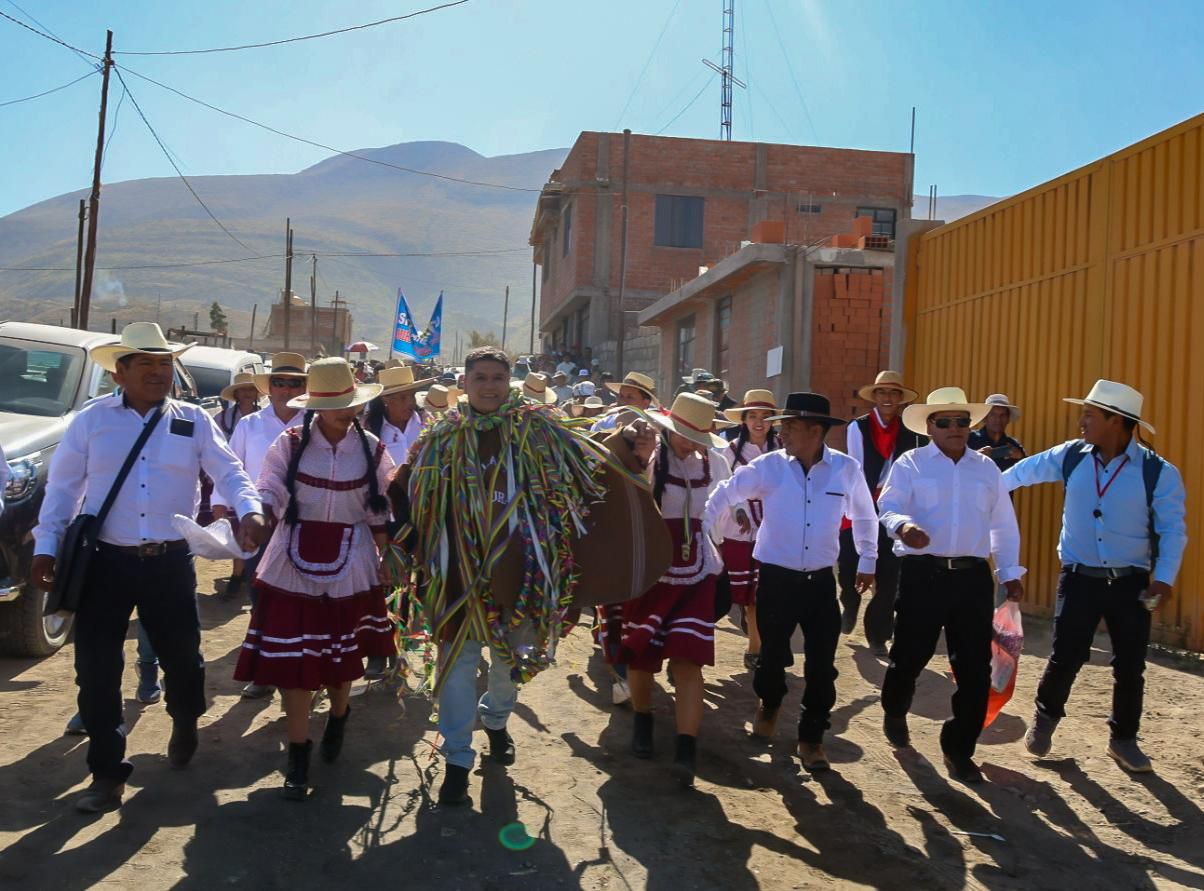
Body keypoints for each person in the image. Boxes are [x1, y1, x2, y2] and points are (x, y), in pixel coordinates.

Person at [30, 322, 267, 813]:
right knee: (96, 669)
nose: (159, 373)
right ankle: (106, 773)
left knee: (184, 660)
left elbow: (229, 470)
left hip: (169, 562)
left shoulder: (193, 420)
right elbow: (63, 489)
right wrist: (46, 545)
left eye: (165, 364)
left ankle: (184, 720)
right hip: (104, 564)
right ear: (120, 373)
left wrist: (250, 509)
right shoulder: (92, 421)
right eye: (146, 364)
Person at [393, 347, 626, 806]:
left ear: (509, 382)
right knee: (456, 669)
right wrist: (403, 545)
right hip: (456, 576)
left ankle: (496, 720)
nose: (489, 386)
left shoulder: (540, 433)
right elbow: (404, 490)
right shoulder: (438, 439)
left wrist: (630, 443)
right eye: (480, 377)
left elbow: (591, 469)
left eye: (497, 377)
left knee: (508, 666)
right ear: (464, 383)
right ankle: (457, 759)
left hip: (521, 576)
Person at [233, 358, 397, 801]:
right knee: (295, 663)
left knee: (339, 660)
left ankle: (339, 716)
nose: (345, 412)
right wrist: (258, 517)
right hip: (292, 562)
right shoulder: (289, 444)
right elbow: (269, 488)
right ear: (315, 408)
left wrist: (388, 554)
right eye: (334, 406)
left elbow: (381, 508)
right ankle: (298, 755)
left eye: (349, 404)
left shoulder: (373, 450)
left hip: (351, 563)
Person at [1003, 380, 1186, 773]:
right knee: (1065, 656)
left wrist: (1164, 578)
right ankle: (1045, 719)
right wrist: (978, 490)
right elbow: (1018, 474)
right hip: (1079, 578)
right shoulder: (1070, 456)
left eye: (1089, 415)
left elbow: (1173, 529)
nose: (1081, 422)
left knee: (1130, 665)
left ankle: (1123, 740)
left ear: (1115, 420)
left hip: (1131, 583)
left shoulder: (1157, 473)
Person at [705, 392, 877, 770]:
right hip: (776, 579)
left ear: (815, 431)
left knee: (822, 664)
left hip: (821, 583)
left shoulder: (845, 469)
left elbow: (865, 515)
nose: (780, 433)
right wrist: (704, 533)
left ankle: (812, 737)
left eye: (790, 426)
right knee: (770, 657)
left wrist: (868, 558)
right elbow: (725, 492)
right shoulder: (769, 467)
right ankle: (769, 703)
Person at [876, 387, 1025, 784]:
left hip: (972, 578)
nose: (955, 428)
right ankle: (895, 711)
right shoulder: (911, 463)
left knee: (974, 669)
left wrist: (1010, 571)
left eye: (962, 421)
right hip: (922, 574)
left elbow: (1003, 524)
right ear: (930, 427)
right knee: (908, 656)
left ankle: (959, 749)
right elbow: (888, 505)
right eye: (945, 421)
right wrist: (903, 527)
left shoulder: (986, 469)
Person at [609, 393, 731, 787]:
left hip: (698, 570)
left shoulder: (715, 463)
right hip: (652, 567)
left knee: (688, 657)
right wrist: (638, 456)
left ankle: (686, 748)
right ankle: (642, 719)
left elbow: (723, 509)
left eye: (698, 437)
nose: (691, 443)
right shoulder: (649, 456)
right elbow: (620, 493)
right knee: (643, 656)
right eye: (685, 435)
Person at [212, 352, 309, 671]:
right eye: (280, 382)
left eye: (295, 383)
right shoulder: (249, 425)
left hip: (304, 522)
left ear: (304, 387)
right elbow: (231, 466)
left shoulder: (315, 423)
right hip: (259, 521)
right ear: (270, 387)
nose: (287, 389)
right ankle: (265, 659)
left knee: (301, 591)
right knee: (259, 590)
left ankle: (298, 656)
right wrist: (220, 502)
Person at [838, 370, 926, 656]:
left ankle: (878, 634)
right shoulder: (858, 427)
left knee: (889, 576)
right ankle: (850, 602)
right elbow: (856, 469)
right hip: (859, 504)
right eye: (882, 393)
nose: (888, 398)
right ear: (874, 397)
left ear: (900, 399)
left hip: (894, 510)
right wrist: (861, 506)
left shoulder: (911, 432)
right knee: (848, 566)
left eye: (893, 393)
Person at [712, 389, 782, 667]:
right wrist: (739, 509)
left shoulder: (784, 449)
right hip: (738, 528)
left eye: (765, 416)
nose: (759, 422)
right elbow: (724, 486)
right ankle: (753, 643)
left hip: (774, 526)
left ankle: (756, 646)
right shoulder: (729, 452)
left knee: (765, 591)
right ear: (743, 420)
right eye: (752, 416)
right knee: (742, 592)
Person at [364, 364, 427, 467]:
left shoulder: (426, 424)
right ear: (386, 400)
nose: (410, 402)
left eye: (412, 395)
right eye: (403, 397)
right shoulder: (373, 430)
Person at [969, 394, 1026, 472]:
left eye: (1003, 415)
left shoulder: (1013, 445)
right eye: (993, 415)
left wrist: (1021, 457)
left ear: (1008, 419)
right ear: (985, 418)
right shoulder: (969, 439)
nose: (998, 419)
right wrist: (976, 455)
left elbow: (1028, 472)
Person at [592, 371, 658, 433]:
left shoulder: (654, 430)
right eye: (621, 396)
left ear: (646, 403)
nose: (622, 401)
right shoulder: (602, 425)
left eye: (630, 397)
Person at [217, 373, 261, 439]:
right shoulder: (222, 418)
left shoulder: (266, 417)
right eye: (243, 389)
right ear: (236, 393)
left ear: (256, 392)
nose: (247, 392)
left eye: (251, 389)